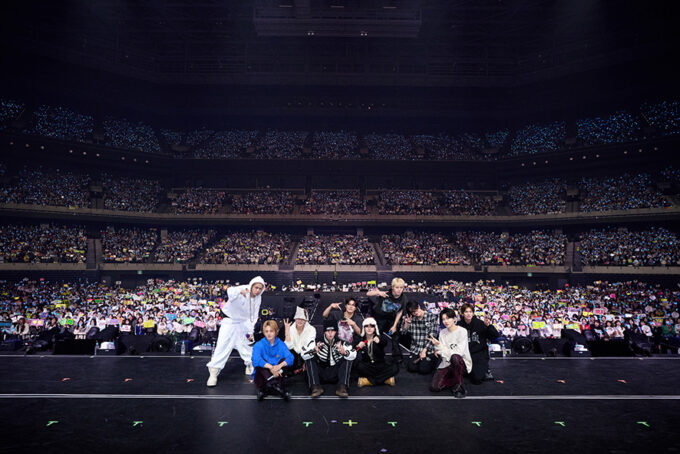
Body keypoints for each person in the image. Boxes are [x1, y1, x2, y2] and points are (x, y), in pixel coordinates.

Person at [206, 276, 265, 387]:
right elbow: (230, 291)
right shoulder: (243, 289)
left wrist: (250, 330)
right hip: (230, 321)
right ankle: (213, 373)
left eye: (260, 288)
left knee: (248, 345)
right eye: (256, 287)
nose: (257, 290)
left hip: (244, 323)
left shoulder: (258, 298)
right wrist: (239, 291)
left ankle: (250, 365)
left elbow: (254, 315)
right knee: (222, 346)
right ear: (252, 286)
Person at [306, 319, 356, 398]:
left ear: (336, 331)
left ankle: (343, 386)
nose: (330, 333)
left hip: (336, 373)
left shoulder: (342, 342)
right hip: (321, 373)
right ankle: (315, 386)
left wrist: (344, 353)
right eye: (328, 331)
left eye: (332, 331)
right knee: (309, 358)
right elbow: (303, 353)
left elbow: (353, 354)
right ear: (324, 332)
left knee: (348, 358)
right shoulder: (316, 341)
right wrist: (313, 351)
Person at [430, 308, 472, 397]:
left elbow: (459, 352)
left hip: (461, 362)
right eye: (443, 319)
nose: (445, 321)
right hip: (446, 363)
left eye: (448, 318)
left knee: (455, 357)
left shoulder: (462, 331)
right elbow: (439, 350)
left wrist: (442, 350)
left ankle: (459, 387)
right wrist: (438, 345)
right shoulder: (442, 332)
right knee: (435, 387)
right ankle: (456, 378)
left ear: (454, 319)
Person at [251, 320, 294, 401]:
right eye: (266, 331)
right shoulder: (259, 344)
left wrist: (279, 366)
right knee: (260, 362)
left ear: (276, 332)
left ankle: (266, 389)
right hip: (262, 377)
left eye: (271, 331)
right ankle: (276, 387)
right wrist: (271, 367)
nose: (269, 334)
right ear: (264, 332)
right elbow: (255, 360)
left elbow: (291, 358)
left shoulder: (281, 344)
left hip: (277, 374)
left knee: (284, 360)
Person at [367, 277, 408, 362]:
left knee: (395, 335)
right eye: (397, 287)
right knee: (378, 335)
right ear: (392, 287)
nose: (399, 290)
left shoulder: (404, 298)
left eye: (401, 288)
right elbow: (368, 293)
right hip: (380, 317)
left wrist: (394, 326)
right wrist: (378, 292)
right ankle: (376, 354)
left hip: (391, 318)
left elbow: (399, 312)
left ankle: (397, 356)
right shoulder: (385, 291)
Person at [457, 303, 499, 384]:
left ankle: (485, 369)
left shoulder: (480, 323)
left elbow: (494, 336)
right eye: (466, 312)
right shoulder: (459, 325)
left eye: (470, 312)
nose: (468, 314)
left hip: (479, 354)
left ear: (473, 313)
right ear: (462, 313)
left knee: (477, 379)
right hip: (464, 354)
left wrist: (488, 326)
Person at [355, 317, 398, 387]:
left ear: (375, 328)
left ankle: (369, 381)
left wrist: (379, 341)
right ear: (364, 328)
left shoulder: (379, 337)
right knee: (358, 366)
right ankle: (384, 380)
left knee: (395, 368)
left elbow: (385, 342)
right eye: (366, 326)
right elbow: (353, 352)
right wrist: (357, 347)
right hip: (368, 366)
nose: (369, 328)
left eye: (372, 326)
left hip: (380, 366)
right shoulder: (360, 339)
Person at [400, 301, 439, 375]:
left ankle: (431, 359)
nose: (415, 313)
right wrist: (406, 324)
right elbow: (403, 332)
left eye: (416, 310)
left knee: (424, 370)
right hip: (415, 349)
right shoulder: (409, 318)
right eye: (412, 312)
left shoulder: (431, 316)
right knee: (412, 368)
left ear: (419, 306)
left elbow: (433, 336)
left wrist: (424, 350)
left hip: (428, 349)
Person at [283, 306, 317, 373]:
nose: (300, 321)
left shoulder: (311, 329)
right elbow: (288, 347)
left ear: (306, 320)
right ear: (295, 319)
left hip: (306, 355)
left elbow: (310, 346)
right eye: (298, 318)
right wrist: (287, 332)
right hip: (293, 356)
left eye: (302, 319)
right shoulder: (290, 328)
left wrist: (305, 361)